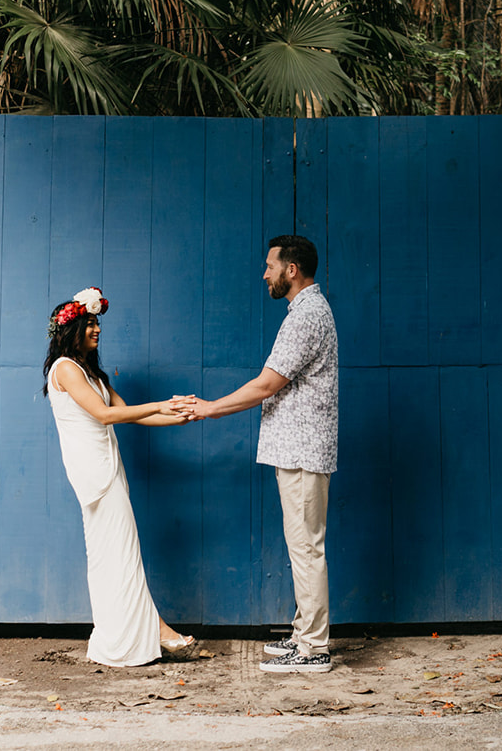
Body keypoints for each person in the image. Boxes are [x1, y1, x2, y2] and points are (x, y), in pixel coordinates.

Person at [178, 235, 338, 674]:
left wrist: (210, 408)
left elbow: (268, 384)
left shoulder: (307, 316)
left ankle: (314, 649)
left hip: (303, 452)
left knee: (306, 547)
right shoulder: (305, 312)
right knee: (302, 545)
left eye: (270, 265)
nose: (264, 273)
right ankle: (304, 635)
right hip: (296, 450)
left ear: (292, 270)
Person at [45, 286, 196, 666]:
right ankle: (158, 631)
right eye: (90, 323)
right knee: (119, 556)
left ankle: (124, 638)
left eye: (97, 323)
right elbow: (105, 415)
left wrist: (182, 415)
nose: (97, 329)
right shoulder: (65, 369)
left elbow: (130, 412)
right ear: (71, 328)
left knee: (116, 556)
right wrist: (162, 402)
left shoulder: (89, 372)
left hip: (110, 472)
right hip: (95, 477)